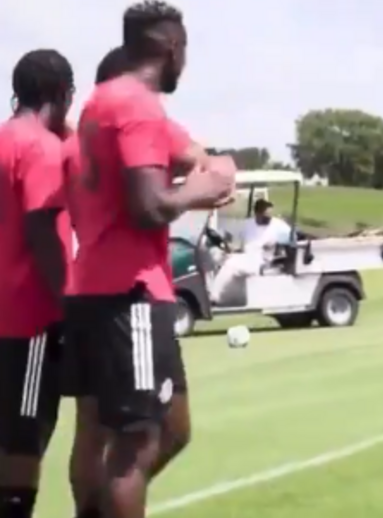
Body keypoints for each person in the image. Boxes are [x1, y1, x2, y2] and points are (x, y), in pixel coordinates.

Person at [64, 2, 234, 518]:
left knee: (130, 431)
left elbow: (183, 155)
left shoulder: (104, 102)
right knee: (138, 446)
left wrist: (201, 165)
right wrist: (199, 192)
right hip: (131, 292)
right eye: (185, 50)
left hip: (95, 289)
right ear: (170, 48)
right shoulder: (137, 105)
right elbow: (148, 207)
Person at [0, 49, 74, 518]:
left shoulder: (6, 138)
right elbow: (41, 229)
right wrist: (69, 305)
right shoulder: (41, 149)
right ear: (60, 94)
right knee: (24, 439)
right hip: (29, 318)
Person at [209, 198, 292, 305]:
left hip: (263, 261)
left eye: (270, 214)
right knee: (215, 256)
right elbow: (229, 234)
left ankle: (214, 296)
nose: (269, 218)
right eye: (266, 215)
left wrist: (277, 242)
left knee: (231, 264)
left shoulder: (277, 225)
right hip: (247, 258)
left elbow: (293, 235)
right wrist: (226, 243)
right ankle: (218, 294)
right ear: (257, 213)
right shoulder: (247, 224)